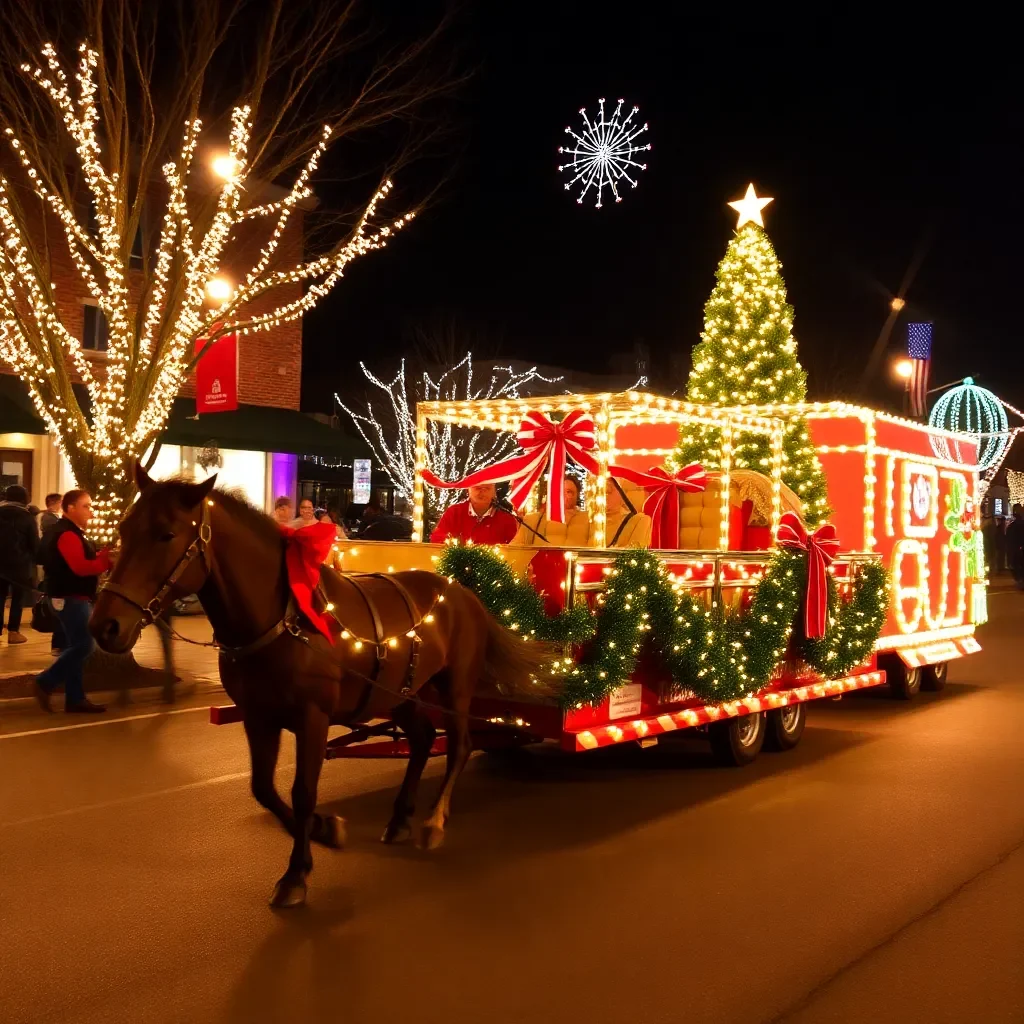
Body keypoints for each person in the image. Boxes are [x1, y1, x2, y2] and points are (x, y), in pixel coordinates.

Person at [34, 489, 111, 713]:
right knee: (84, 645)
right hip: (70, 597)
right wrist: (105, 561)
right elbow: (80, 567)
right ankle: (45, 682)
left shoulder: (69, 532)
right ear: (70, 508)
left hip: (68, 596)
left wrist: (101, 557)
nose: (91, 512)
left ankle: (75, 698)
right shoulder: (67, 534)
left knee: (74, 645)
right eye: (86, 506)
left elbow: (78, 562)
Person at [0, 484, 40, 645]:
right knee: (18, 599)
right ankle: (13, 632)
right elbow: (35, 544)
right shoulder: (26, 517)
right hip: (20, 565)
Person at [512, 476, 590, 547]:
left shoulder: (588, 520)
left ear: (577, 495)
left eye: (569, 492)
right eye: (560, 490)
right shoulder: (532, 520)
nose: (564, 494)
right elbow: (515, 548)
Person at [430, 483, 518, 544]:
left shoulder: (506, 519)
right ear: (468, 490)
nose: (481, 492)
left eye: (486, 488)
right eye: (477, 488)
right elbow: (437, 538)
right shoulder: (454, 512)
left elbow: (513, 547)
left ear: (494, 493)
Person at [591, 480, 652, 548]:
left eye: (608, 492)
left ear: (622, 494)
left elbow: (635, 553)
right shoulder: (587, 521)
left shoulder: (640, 521)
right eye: (597, 493)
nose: (603, 497)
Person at [1005, 504, 1024, 590]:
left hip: (1017, 549)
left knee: (1016, 565)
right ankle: (1020, 581)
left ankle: (1020, 581)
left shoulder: (1013, 526)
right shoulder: (1013, 526)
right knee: (1016, 565)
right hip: (1017, 549)